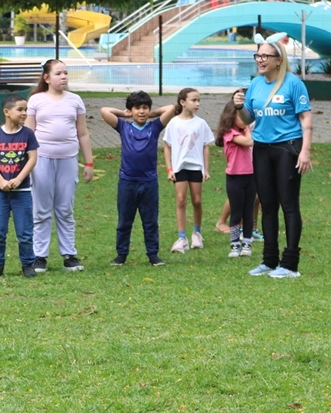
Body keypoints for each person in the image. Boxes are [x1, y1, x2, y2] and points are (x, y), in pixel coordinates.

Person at [234, 32, 313, 278]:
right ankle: (269, 260)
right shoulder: (256, 83)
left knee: (289, 205)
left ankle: (290, 265)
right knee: (268, 205)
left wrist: (305, 151)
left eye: (265, 55)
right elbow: (248, 118)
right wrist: (239, 106)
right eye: (258, 55)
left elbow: (305, 118)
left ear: (279, 59)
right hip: (262, 148)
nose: (260, 59)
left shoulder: (293, 83)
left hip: (287, 148)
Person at [25, 59, 93, 273]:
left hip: (68, 160)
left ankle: (69, 255)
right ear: (46, 78)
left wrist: (88, 162)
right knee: (41, 209)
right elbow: (28, 134)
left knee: (65, 208)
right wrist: (26, 163)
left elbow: (83, 133)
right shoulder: (36, 100)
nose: (63, 77)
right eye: (58, 73)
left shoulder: (75, 100)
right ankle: (39, 256)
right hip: (41, 160)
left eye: (65, 73)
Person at [100, 91, 176, 266]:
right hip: (127, 182)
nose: (141, 112)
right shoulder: (124, 127)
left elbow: (171, 108)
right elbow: (105, 111)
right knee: (124, 221)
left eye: (144, 108)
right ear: (130, 110)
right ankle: (121, 254)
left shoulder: (154, 127)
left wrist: (153, 113)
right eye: (137, 108)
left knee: (150, 221)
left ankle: (153, 254)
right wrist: (124, 113)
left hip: (149, 183)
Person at [0, 94, 40, 278]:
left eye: (26, 109)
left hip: (22, 191)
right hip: (0, 193)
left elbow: (32, 158)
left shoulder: (27, 134)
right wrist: (1, 180)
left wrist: (18, 179)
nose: (25, 113)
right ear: (7, 112)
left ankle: (28, 265)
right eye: (20, 109)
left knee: (25, 232)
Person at [163, 88, 215, 253]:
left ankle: (197, 233)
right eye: (194, 100)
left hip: (196, 167)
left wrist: (206, 169)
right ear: (182, 102)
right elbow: (167, 146)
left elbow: (206, 146)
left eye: (199, 100)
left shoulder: (201, 123)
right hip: (180, 167)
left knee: (197, 201)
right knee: (180, 200)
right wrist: (169, 168)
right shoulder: (173, 123)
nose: (197, 103)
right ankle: (182, 237)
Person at [215, 100, 255, 257]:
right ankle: (234, 244)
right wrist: (247, 128)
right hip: (234, 178)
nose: (245, 120)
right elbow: (249, 142)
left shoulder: (243, 131)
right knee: (236, 212)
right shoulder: (229, 133)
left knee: (248, 212)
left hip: (250, 176)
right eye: (241, 117)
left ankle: (247, 243)